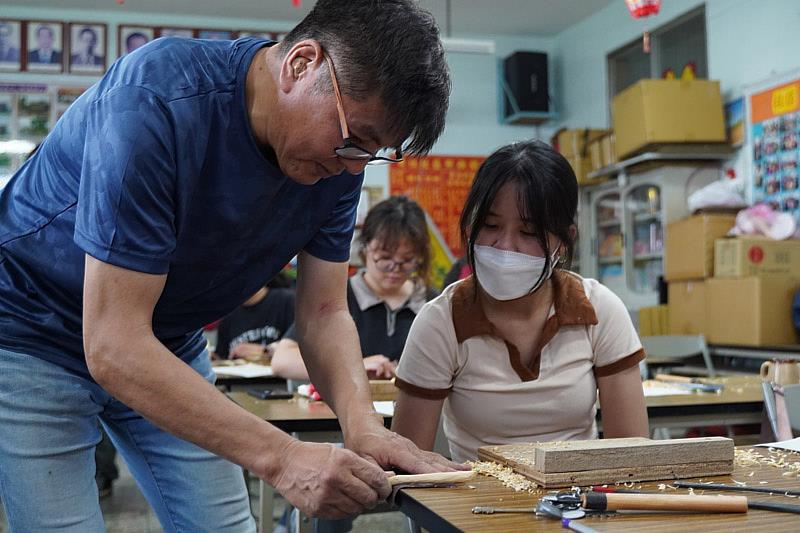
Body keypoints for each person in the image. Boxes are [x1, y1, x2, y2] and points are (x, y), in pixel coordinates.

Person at [0, 1, 460, 531]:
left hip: (165, 338)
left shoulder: (337, 162)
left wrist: (363, 426)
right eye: (355, 139)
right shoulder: (155, 100)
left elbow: (326, 311)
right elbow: (112, 344)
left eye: (374, 151)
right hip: (31, 328)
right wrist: (284, 457)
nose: (355, 164)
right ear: (301, 64)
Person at [391, 140, 649, 462]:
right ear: (471, 227)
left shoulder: (599, 310)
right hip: (475, 505)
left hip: (578, 503)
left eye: (529, 232)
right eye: (490, 226)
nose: (505, 246)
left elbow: (631, 453)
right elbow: (407, 461)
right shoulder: (441, 322)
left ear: (564, 241)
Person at [272, 196, 434, 381]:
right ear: (365, 249)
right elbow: (283, 361)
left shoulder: (430, 301)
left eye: (407, 260)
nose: (394, 269)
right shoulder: (339, 296)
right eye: (384, 258)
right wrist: (356, 367)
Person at [213, 273, 295, 361]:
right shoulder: (227, 315)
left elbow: (301, 346)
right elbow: (222, 357)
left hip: (276, 372)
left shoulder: (287, 300)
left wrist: (265, 351)